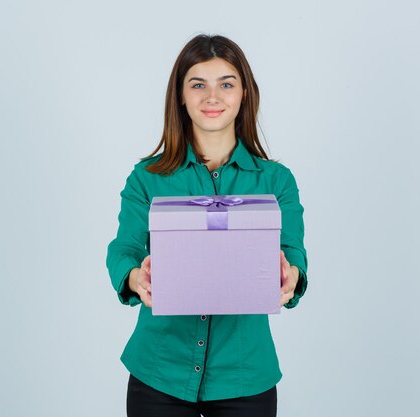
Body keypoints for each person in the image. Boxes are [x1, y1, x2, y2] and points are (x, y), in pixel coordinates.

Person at [106, 34, 308, 417]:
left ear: (244, 93)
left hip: (246, 376)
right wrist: (135, 277)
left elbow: (294, 252)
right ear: (180, 96)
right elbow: (124, 249)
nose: (212, 97)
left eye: (226, 84)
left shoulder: (276, 181)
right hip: (158, 372)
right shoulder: (146, 178)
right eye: (198, 84)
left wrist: (292, 274)